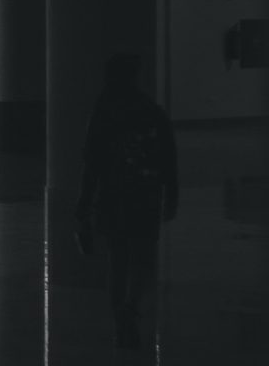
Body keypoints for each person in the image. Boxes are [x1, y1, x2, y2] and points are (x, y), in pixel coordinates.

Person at [76, 54, 178, 348]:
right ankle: (131, 307)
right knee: (143, 256)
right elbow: (167, 158)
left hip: (112, 197)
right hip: (145, 197)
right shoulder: (151, 112)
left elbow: (91, 163)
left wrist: (84, 205)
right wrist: (171, 195)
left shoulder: (103, 113)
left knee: (118, 260)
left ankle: (120, 312)